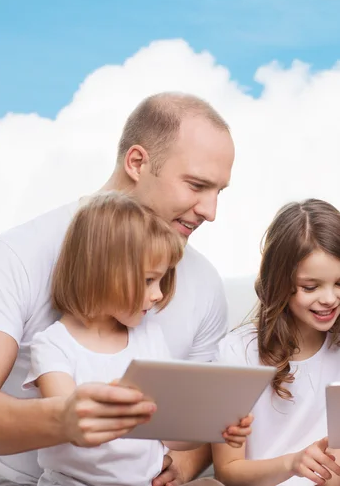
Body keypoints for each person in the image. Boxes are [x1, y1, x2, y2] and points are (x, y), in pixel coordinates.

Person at [0, 92, 235, 486]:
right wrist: (64, 418)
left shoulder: (204, 284)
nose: (210, 211)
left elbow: (193, 420)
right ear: (137, 162)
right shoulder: (15, 257)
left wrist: (184, 466)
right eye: (196, 185)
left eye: (219, 191)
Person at [23, 192, 251, 486]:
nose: (157, 295)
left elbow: (171, 436)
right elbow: (72, 426)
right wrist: (129, 411)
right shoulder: (53, 345)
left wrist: (214, 428)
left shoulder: (150, 338)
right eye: (148, 280)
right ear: (102, 273)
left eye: (161, 280)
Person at [212, 199, 340, 486]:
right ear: (280, 282)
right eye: (311, 287)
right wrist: (292, 464)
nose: (330, 299)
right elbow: (228, 468)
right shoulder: (236, 354)